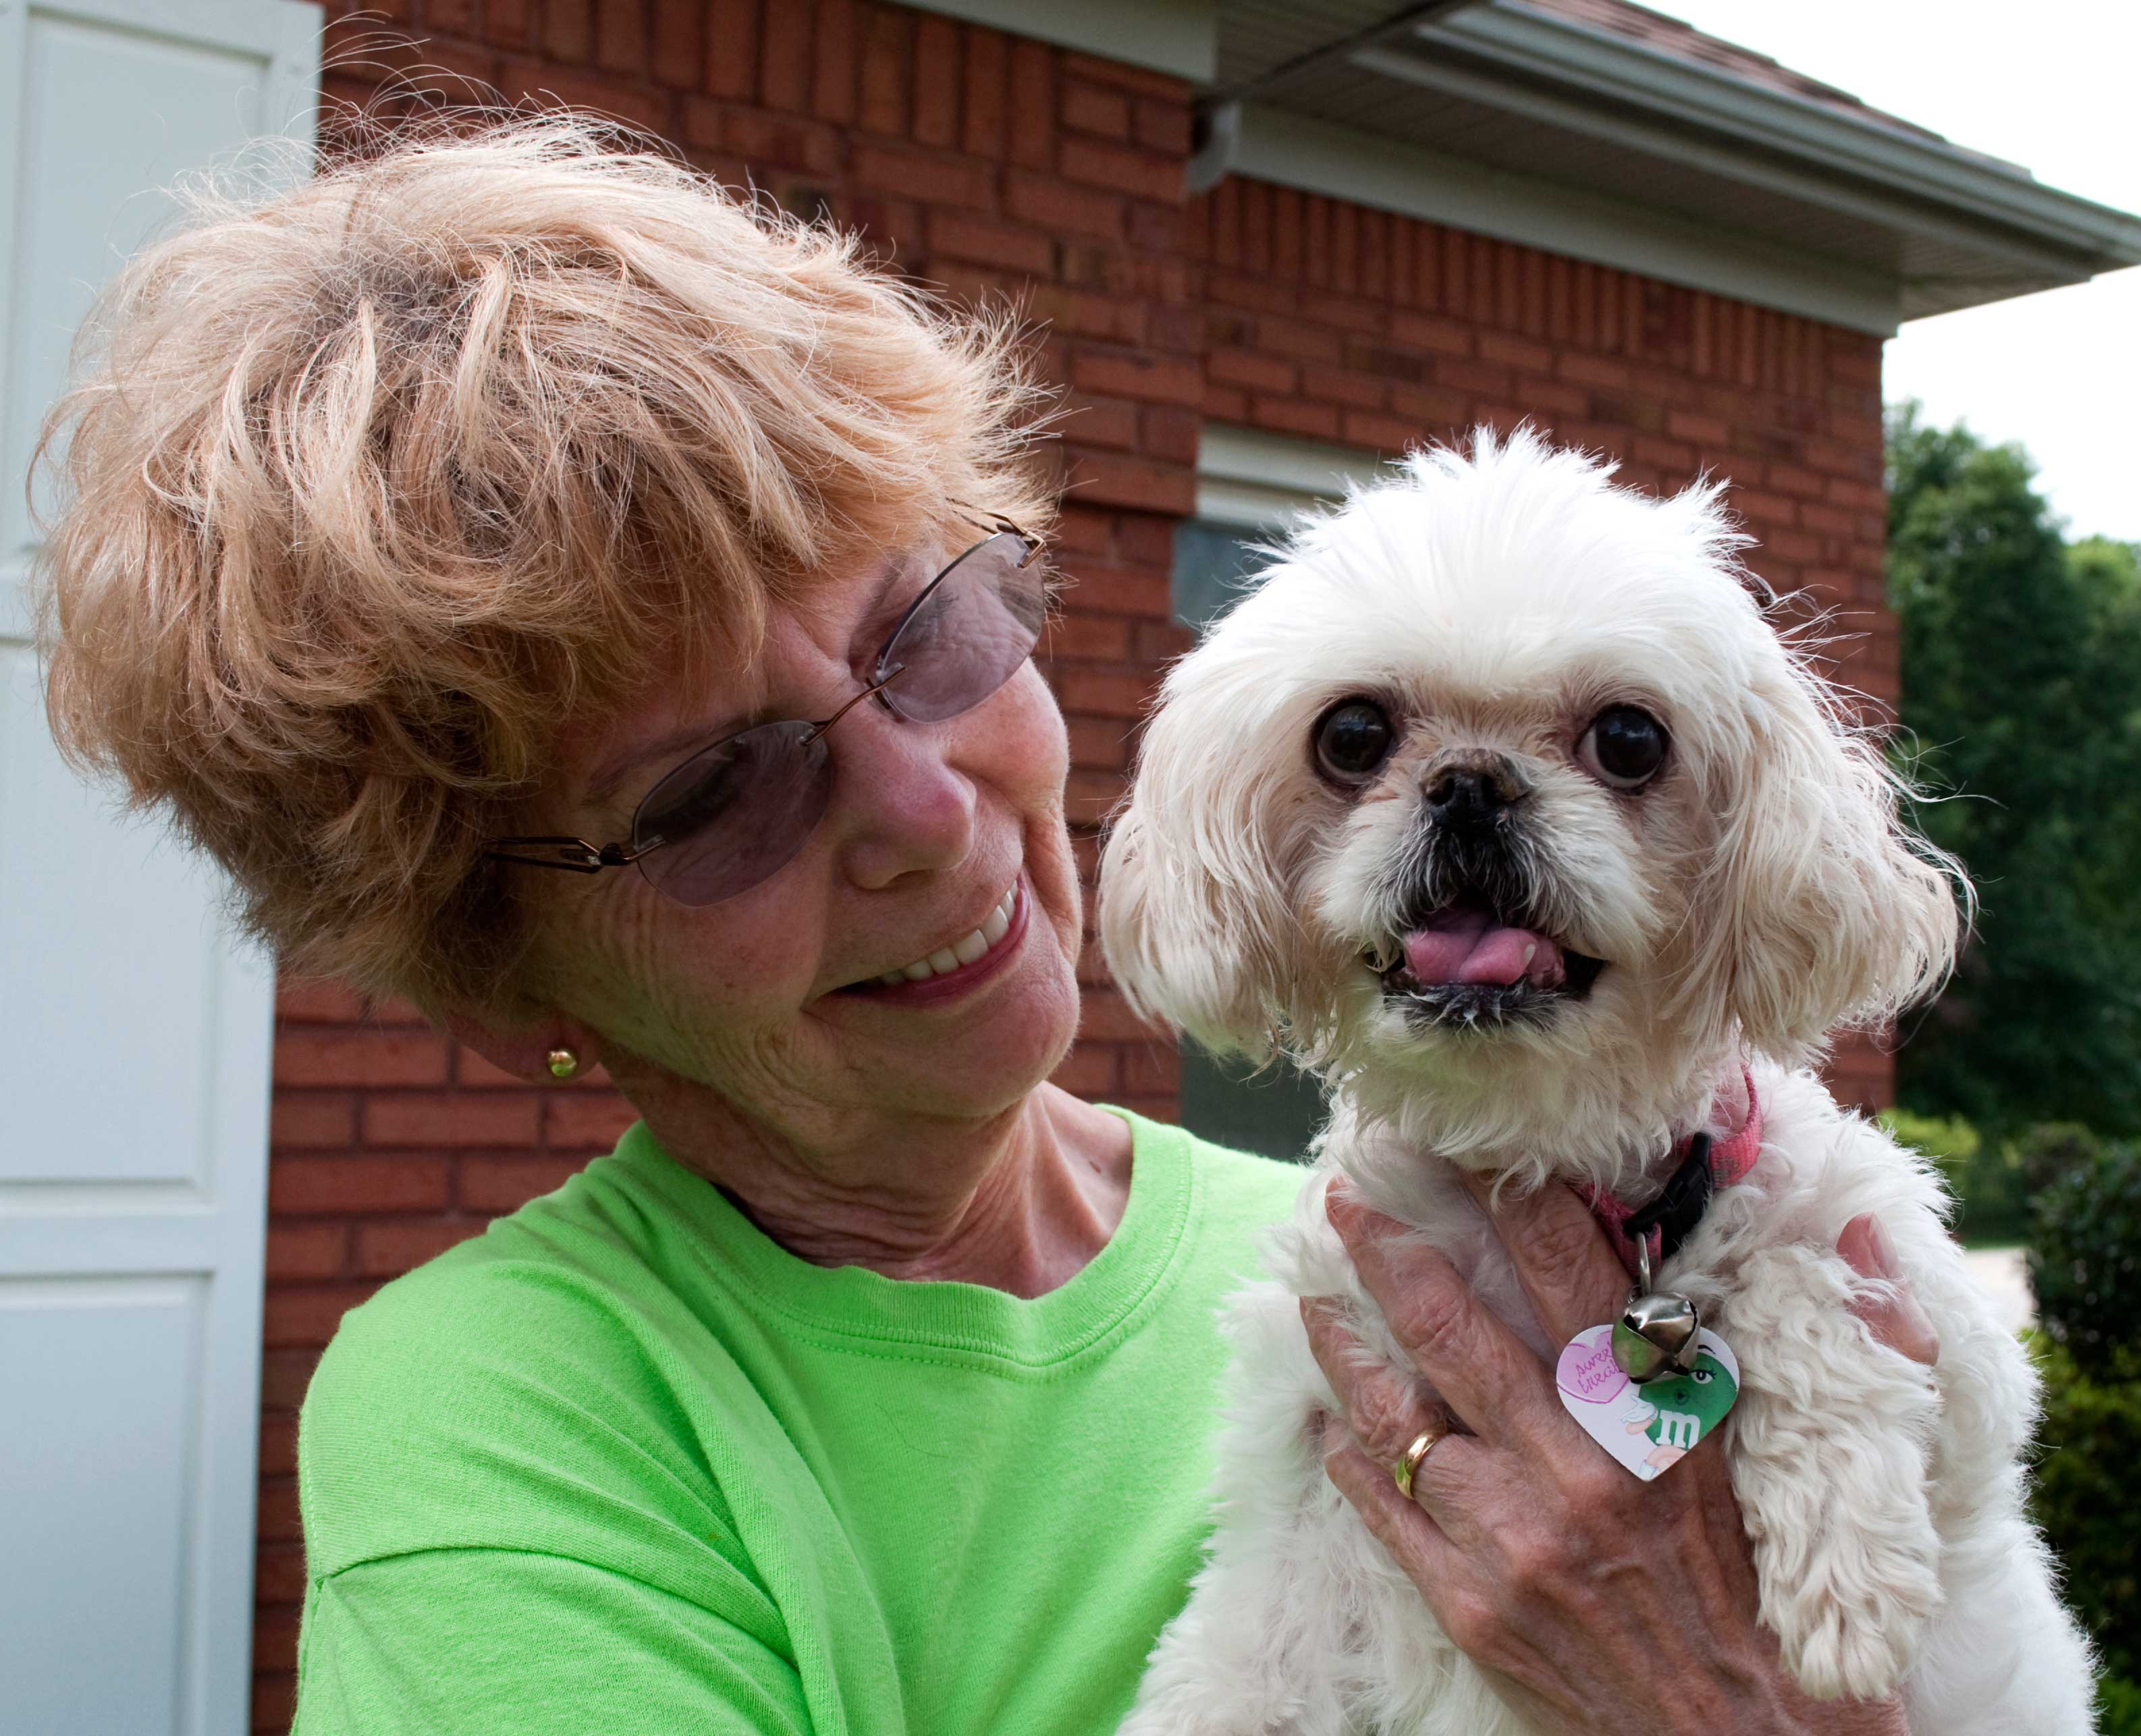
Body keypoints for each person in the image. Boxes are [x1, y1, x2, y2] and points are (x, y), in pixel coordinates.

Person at [36, 118, 1939, 1735]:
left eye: (922, 636)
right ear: (497, 965)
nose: (927, 814)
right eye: (714, 793)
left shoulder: (1373, 1231)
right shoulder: (520, 1425)